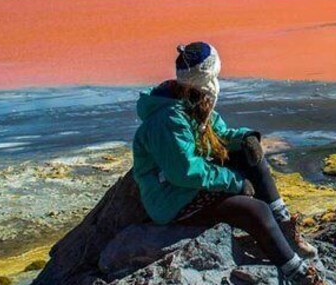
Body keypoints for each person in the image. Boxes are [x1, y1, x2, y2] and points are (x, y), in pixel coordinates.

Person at [132, 41, 324, 285]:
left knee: (250, 156)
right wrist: (235, 183)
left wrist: (246, 137)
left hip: (189, 184)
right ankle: (297, 274)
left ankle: (285, 227)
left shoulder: (194, 99)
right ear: (207, 75)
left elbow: (221, 134)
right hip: (173, 198)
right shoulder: (169, 119)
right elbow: (184, 172)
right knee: (255, 210)